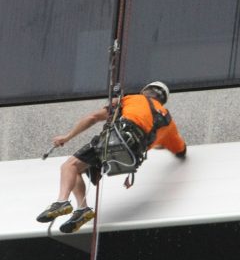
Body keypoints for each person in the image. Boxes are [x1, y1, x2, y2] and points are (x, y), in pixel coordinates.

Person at [38, 81, 187, 233]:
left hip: (114, 142)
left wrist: (67, 137)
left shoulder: (131, 99)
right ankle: (82, 210)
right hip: (131, 154)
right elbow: (180, 149)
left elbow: (93, 117)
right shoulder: (168, 120)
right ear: (162, 100)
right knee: (76, 170)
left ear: (144, 91)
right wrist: (164, 146)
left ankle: (62, 201)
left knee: (69, 166)